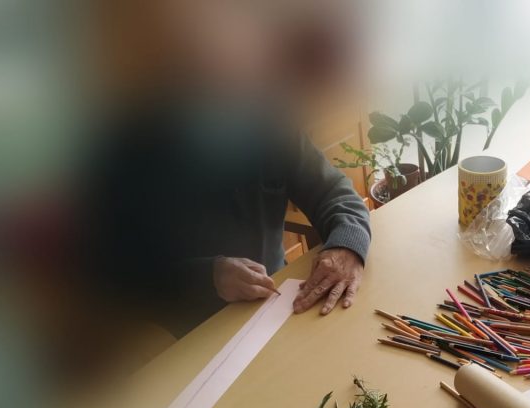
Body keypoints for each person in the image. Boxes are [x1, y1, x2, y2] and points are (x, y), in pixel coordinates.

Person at [85, 0, 370, 337]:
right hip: (186, 327)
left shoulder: (267, 118)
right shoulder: (132, 145)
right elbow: (117, 272)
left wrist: (347, 246)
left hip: (274, 306)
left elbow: (335, 194)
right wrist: (210, 276)